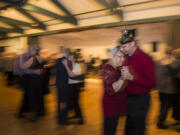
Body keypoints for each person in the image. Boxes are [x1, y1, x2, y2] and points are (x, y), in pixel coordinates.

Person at [119, 29, 156, 135]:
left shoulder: (145, 58)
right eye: (121, 47)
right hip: (129, 99)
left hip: (141, 100)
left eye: (124, 46)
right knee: (128, 129)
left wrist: (132, 77)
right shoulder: (127, 57)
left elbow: (151, 83)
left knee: (138, 130)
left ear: (132, 43)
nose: (121, 49)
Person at [101, 46, 127, 135]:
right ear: (112, 56)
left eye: (123, 57)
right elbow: (110, 90)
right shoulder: (109, 69)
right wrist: (124, 77)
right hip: (111, 106)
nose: (122, 59)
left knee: (112, 129)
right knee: (109, 131)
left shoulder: (115, 68)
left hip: (115, 105)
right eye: (119, 56)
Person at [18, 46, 45, 122]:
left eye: (31, 50)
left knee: (33, 97)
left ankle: (35, 114)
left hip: (33, 81)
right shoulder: (40, 57)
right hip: (37, 80)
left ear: (34, 51)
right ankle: (39, 112)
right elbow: (42, 69)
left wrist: (20, 58)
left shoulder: (34, 58)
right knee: (36, 96)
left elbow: (22, 67)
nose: (29, 51)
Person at [155, 56, 176, 129]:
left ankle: (160, 120)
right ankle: (160, 122)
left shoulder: (158, 64)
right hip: (167, 89)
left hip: (161, 88)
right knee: (165, 106)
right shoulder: (169, 65)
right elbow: (174, 73)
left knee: (163, 105)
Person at [67, 52, 85, 124]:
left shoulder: (77, 65)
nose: (69, 58)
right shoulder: (69, 65)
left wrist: (66, 67)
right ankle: (76, 115)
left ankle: (81, 119)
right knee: (73, 103)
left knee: (76, 103)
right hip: (70, 86)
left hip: (75, 86)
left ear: (74, 58)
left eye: (70, 57)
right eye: (69, 57)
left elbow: (72, 75)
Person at [55, 47, 71, 125]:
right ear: (67, 53)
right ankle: (63, 120)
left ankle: (59, 118)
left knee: (60, 102)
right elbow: (69, 74)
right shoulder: (67, 61)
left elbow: (56, 73)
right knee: (64, 103)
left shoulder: (57, 60)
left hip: (58, 85)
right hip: (64, 85)